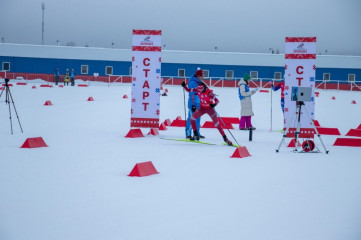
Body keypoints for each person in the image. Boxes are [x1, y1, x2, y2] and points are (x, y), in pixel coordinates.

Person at [182, 69, 204, 139]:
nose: (203, 77)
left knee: (198, 119)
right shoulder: (192, 82)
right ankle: (188, 134)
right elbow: (192, 94)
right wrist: (193, 105)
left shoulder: (199, 82)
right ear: (198, 76)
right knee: (192, 119)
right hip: (193, 104)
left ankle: (196, 133)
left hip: (198, 103)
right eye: (201, 75)